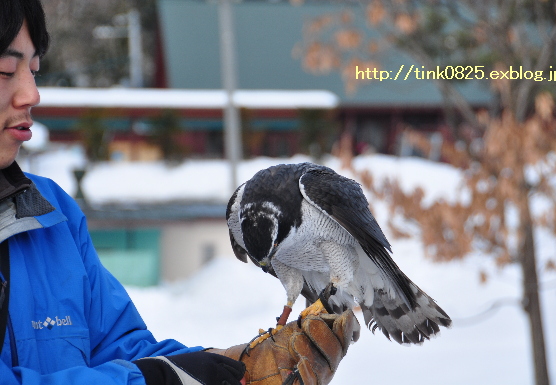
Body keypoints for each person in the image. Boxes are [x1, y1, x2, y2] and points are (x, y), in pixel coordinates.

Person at [0, 1, 359, 384]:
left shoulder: (52, 215)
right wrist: (158, 380)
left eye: (35, 70)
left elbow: (123, 350)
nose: (31, 94)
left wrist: (232, 368)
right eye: (6, 70)